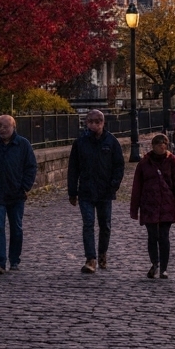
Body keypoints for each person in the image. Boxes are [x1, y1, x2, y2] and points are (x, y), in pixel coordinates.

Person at [0, 115, 38, 275]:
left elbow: (31, 167)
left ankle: (14, 259)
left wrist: (25, 187)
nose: (2, 129)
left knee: (16, 228)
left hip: (16, 194)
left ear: (13, 127)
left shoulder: (22, 144)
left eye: (5, 126)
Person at [67, 109, 124, 273]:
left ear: (102, 123)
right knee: (88, 224)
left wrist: (114, 185)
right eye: (90, 122)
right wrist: (72, 192)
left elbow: (118, 166)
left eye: (97, 122)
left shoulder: (111, 142)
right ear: (86, 123)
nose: (93, 125)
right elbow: (73, 168)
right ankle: (90, 258)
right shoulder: (80, 142)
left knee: (105, 225)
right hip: (86, 190)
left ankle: (102, 253)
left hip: (105, 191)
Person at [130, 134, 175, 278]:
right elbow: (137, 187)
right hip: (149, 205)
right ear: (153, 146)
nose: (162, 147)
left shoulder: (172, 161)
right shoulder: (144, 163)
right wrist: (134, 209)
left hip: (166, 204)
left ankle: (164, 268)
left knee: (164, 237)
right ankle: (155, 263)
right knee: (152, 236)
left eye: (164, 144)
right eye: (159, 144)